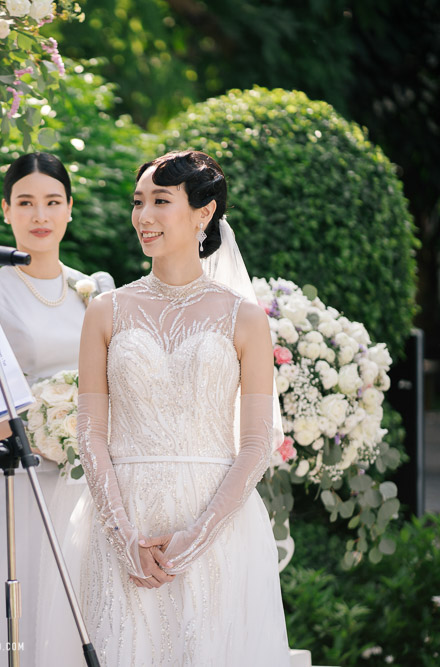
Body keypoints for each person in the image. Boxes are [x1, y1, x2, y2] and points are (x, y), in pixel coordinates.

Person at [75, 150, 290, 664]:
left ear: (204, 212)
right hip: (123, 522)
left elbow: (257, 443)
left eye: (160, 201)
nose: (143, 217)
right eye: (138, 202)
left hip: (218, 528)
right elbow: (90, 433)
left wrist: (198, 536)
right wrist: (124, 536)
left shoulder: (244, 318)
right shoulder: (106, 311)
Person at [0, 152, 115, 667]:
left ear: (68, 211)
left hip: (83, 479)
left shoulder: (94, 290)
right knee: (5, 601)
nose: (40, 215)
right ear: (6, 211)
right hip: (16, 475)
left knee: (72, 605)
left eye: (52, 202)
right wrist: (35, 427)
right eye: (26, 203)